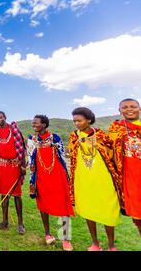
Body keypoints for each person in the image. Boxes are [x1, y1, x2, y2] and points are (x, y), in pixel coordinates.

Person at [69, 107, 122, 251]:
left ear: (89, 120)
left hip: (103, 179)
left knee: (108, 211)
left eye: (79, 120)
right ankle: (95, 243)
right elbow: (72, 155)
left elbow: (112, 153)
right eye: (74, 121)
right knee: (88, 210)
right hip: (83, 179)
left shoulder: (101, 135)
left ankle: (111, 245)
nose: (77, 123)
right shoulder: (74, 136)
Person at [27, 115, 74, 251]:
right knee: (43, 205)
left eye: (36, 123)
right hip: (41, 178)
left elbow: (63, 159)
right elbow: (31, 160)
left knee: (63, 206)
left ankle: (66, 239)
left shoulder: (55, 138)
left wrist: (67, 177)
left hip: (57, 176)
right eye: (32, 123)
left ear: (44, 124)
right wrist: (32, 180)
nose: (33, 125)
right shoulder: (32, 140)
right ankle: (47, 234)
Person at [108, 98, 141, 236]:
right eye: (125, 107)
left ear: (139, 108)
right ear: (119, 110)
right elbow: (109, 153)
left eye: (133, 106)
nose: (129, 109)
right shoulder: (115, 130)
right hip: (131, 178)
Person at [0, 111, 27, 235]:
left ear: (5, 117)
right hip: (1, 166)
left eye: (0, 117)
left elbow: (22, 147)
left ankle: (20, 223)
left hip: (14, 166)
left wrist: (23, 165)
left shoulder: (14, 129)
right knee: (4, 195)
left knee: (17, 195)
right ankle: (4, 221)